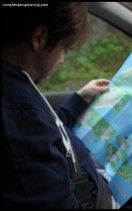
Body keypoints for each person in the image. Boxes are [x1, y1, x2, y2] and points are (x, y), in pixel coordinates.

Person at [1, 3, 111, 208]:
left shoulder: (16, 86)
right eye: (65, 50)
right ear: (39, 38)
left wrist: (79, 99)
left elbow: (49, 128)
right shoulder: (21, 121)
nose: (61, 60)